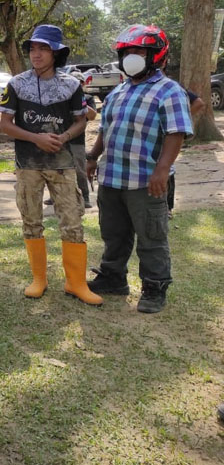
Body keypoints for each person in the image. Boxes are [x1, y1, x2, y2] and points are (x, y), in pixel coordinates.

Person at [85, 25, 193, 314]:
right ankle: (113, 277)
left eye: (139, 52)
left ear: (156, 55)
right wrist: (93, 157)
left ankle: (155, 287)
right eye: (127, 52)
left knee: (151, 237)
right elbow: (105, 129)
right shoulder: (118, 91)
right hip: (112, 177)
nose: (132, 57)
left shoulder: (169, 90)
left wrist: (162, 170)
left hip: (147, 181)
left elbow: (176, 133)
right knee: (113, 233)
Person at [0, 24, 102, 306]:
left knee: (72, 221)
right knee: (31, 220)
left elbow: (82, 119)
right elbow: (5, 125)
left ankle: (76, 282)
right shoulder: (17, 84)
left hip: (64, 164)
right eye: (33, 48)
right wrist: (36, 138)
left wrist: (65, 136)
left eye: (43, 48)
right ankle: (39, 279)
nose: (36, 54)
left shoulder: (71, 85)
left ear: (56, 53)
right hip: (28, 165)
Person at [45, 71, 96, 208]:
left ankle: (85, 197)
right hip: (58, 138)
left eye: (78, 83)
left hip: (77, 140)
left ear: (83, 84)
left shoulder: (88, 98)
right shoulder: (60, 97)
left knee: (80, 170)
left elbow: (92, 116)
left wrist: (81, 101)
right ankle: (54, 196)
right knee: (55, 169)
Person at [166, 89, 204, 218]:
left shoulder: (173, 88)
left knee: (167, 167)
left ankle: (168, 208)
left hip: (170, 134)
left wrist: (181, 118)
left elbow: (198, 102)